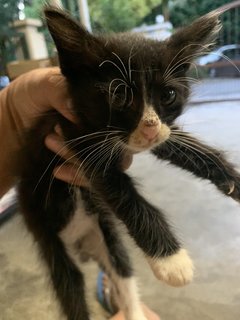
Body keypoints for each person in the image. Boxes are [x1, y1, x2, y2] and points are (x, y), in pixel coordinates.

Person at [0, 67, 160, 320]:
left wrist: (11, 109)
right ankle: (116, 298)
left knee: (113, 255)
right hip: (49, 214)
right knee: (66, 275)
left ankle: (125, 303)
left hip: (86, 212)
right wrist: (10, 112)